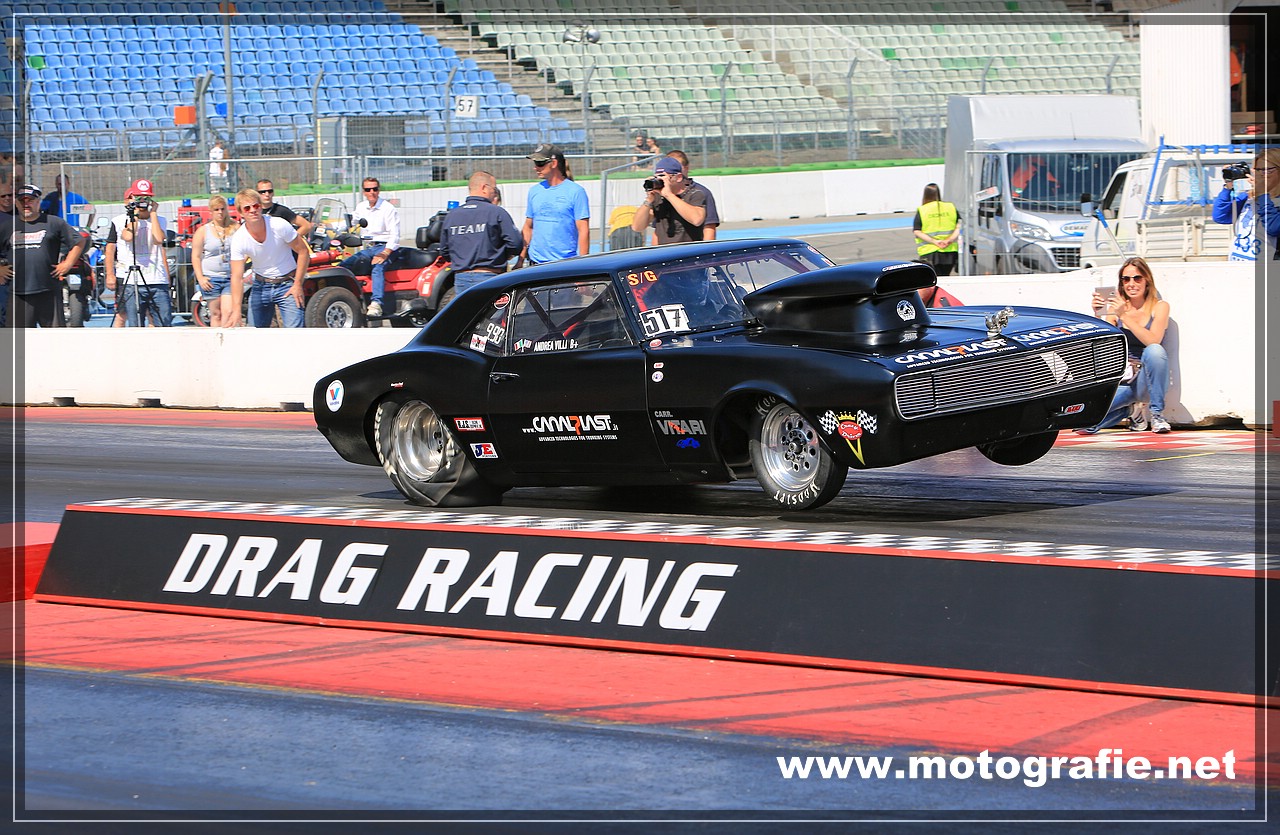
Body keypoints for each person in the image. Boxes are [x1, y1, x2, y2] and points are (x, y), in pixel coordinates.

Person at [1076, 257, 1172, 435]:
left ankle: (1157, 415)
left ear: (1147, 280)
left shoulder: (1160, 306)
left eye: (1137, 278)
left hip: (1147, 379)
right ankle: (1130, 411)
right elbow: (1105, 345)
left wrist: (1125, 316)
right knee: (1086, 421)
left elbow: (1153, 340)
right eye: (1126, 279)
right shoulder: (1116, 308)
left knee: (1155, 351)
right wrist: (1097, 315)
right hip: (1125, 377)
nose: (1131, 284)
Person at [0, 184, 84, 328]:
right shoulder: (7, 226)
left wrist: (68, 263)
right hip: (18, 292)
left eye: (30, 200)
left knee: (54, 337)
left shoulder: (54, 222)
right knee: (17, 338)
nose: (26, 204)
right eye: (22, 200)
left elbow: (79, 241)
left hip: (49, 291)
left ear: (38, 201)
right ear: (16, 203)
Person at [230, 186, 310, 328]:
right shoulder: (239, 238)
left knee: (295, 334)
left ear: (261, 207)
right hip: (260, 285)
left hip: (287, 283)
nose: (253, 210)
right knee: (254, 333)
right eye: (247, 208)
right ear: (241, 213)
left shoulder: (278, 225)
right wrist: (236, 310)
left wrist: (298, 284)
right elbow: (236, 276)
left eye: (256, 206)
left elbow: (303, 252)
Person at [440, 171, 521, 296]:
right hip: (490, 277)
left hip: (461, 279)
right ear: (484, 188)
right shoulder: (496, 212)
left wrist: (463, 259)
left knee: (468, 309)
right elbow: (516, 244)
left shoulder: (452, 215)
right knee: (492, 309)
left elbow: (445, 251)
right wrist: (501, 254)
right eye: (494, 189)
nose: (495, 192)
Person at [104, 179, 171, 328]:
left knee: (163, 321)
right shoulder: (121, 221)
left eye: (146, 198)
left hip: (156, 279)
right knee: (133, 323)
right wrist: (134, 214)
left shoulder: (160, 220)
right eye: (139, 198)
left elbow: (158, 240)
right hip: (132, 280)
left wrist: (153, 213)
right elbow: (128, 236)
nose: (143, 202)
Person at [521, 143, 590, 266]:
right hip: (535, 263)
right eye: (535, 163)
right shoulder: (534, 191)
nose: (535, 168)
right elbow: (528, 227)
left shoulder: (576, 192)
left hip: (564, 264)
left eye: (540, 163)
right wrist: (520, 260)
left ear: (553, 163)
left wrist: (582, 266)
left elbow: (583, 230)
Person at [340, 177, 399, 317]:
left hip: (384, 246)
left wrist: (385, 253)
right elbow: (350, 222)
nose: (372, 192)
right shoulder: (361, 207)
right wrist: (328, 227)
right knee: (343, 266)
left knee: (377, 267)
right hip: (368, 248)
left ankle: (376, 304)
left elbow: (395, 235)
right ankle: (346, 298)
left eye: (375, 189)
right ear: (363, 192)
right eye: (368, 189)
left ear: (379, 190)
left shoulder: (388, 208)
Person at [1211, 148, 1280, 262]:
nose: (1260, 174)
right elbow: (1220, 217)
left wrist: (1262, 194)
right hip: (1237, 263)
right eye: (1257, 169)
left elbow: (1273, 227)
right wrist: (1228, 186)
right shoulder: (1249, 196)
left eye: (1266, 170)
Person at [631, 156, 707, 244]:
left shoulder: (694, 194)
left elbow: (697, 220)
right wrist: (649, 199)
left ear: (678, 177)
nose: (660, 180)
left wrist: (669, 195)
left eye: (663, 176)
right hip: (665, 251)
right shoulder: (658, 197)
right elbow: (637, 227)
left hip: (688, 250)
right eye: (657, 177)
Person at [191, 194, 240, 328]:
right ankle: (216, 337)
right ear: (211, 211)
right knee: (216, 313)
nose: (220, 212)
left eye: (222, 209)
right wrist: (200, 278)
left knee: (228, 311)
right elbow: (195, 256)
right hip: (211, 277)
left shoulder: (235, 227)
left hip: (230, 276)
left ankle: (226, 336)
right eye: (216, 209)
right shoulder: (203, 231)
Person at [666, 149, 719, 240]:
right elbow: (657, 230)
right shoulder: (661, 194)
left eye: (678, 167)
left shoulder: (701, 192)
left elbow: (709, 228)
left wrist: (707, 248)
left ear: (686, 168)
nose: (674, 170)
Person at [912, 183, 961, 276]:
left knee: (932, 277)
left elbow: (917, 231)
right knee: (945, 276)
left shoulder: (923, 210)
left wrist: (934, 241)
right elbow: (959, 226)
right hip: (949, 251)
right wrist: (949, 240)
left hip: (929, 251)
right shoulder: (950, 207)